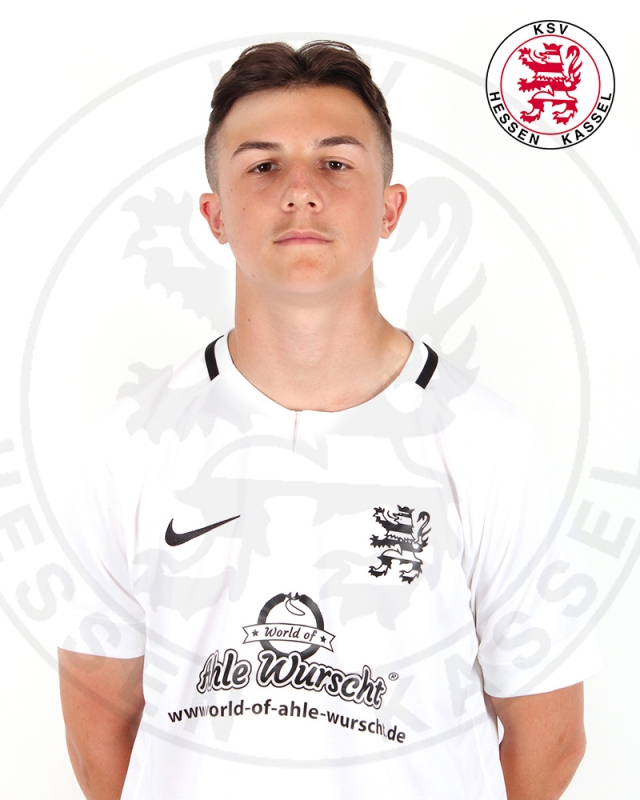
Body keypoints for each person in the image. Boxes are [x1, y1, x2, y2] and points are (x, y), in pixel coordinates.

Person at [57, 40, 598, 800]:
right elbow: (98, 735)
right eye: (262, 166)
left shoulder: (487, 444)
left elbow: (552, 740)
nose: (301, 192)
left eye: (336, 163)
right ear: (215, 215)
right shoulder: (129, 446)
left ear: (390, 209)